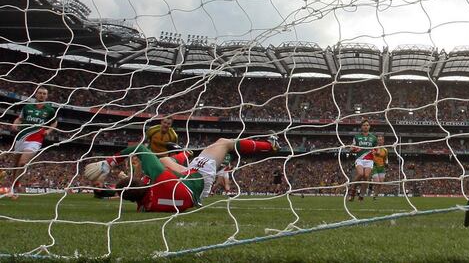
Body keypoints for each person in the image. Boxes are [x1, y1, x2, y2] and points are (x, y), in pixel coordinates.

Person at [86, 136, 279, 212]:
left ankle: (185, 153)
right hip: (199, 176)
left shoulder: (144, 205)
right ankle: (271, 145)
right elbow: (140, 148)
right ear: (139, 183)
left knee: (167, 163)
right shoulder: (157, 181)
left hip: (191, 191)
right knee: (223, 142)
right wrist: (108, 164)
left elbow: (113, 191)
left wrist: (106, 190)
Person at [7, 86, 58, 198]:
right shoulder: (27, 107)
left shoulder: (50, 110)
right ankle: (14, 184)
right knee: (15, 164)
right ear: (36, 94)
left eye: (44, 94)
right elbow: (19, 118)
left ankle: (14, 189)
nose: (42, 95)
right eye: (40, 93)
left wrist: (48, 131)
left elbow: (55, 123)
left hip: (35, 140)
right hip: (22, 137)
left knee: (22, 163)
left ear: (47, 96)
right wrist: (15, 124)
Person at [348, 119, 377, 201]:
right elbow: (351, 148)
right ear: (361, 127)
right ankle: (352, 192)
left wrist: (375, 152)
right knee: (360, 174)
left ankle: (361, 195)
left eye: (367, 125)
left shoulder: (373, 138)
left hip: (369, 160)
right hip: (360, 159)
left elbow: (376, 149)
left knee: (366, 176)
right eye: (364, 125)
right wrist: (354, 149)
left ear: (369, 127)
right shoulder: (357, 137)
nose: (366, 126)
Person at [369, 134, 388, 200]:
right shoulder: (374, 147)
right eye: (378, 140)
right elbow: (375, 154)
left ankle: (375, 195)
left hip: (382, 167)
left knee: (380, 183)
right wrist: (378, 149)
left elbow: (385, 158)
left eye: (381, 140)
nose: (379, 141)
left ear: (383, 141)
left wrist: (386, 163)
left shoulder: (385, 149)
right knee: (377, 182)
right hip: (374, 166)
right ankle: (371, 184)